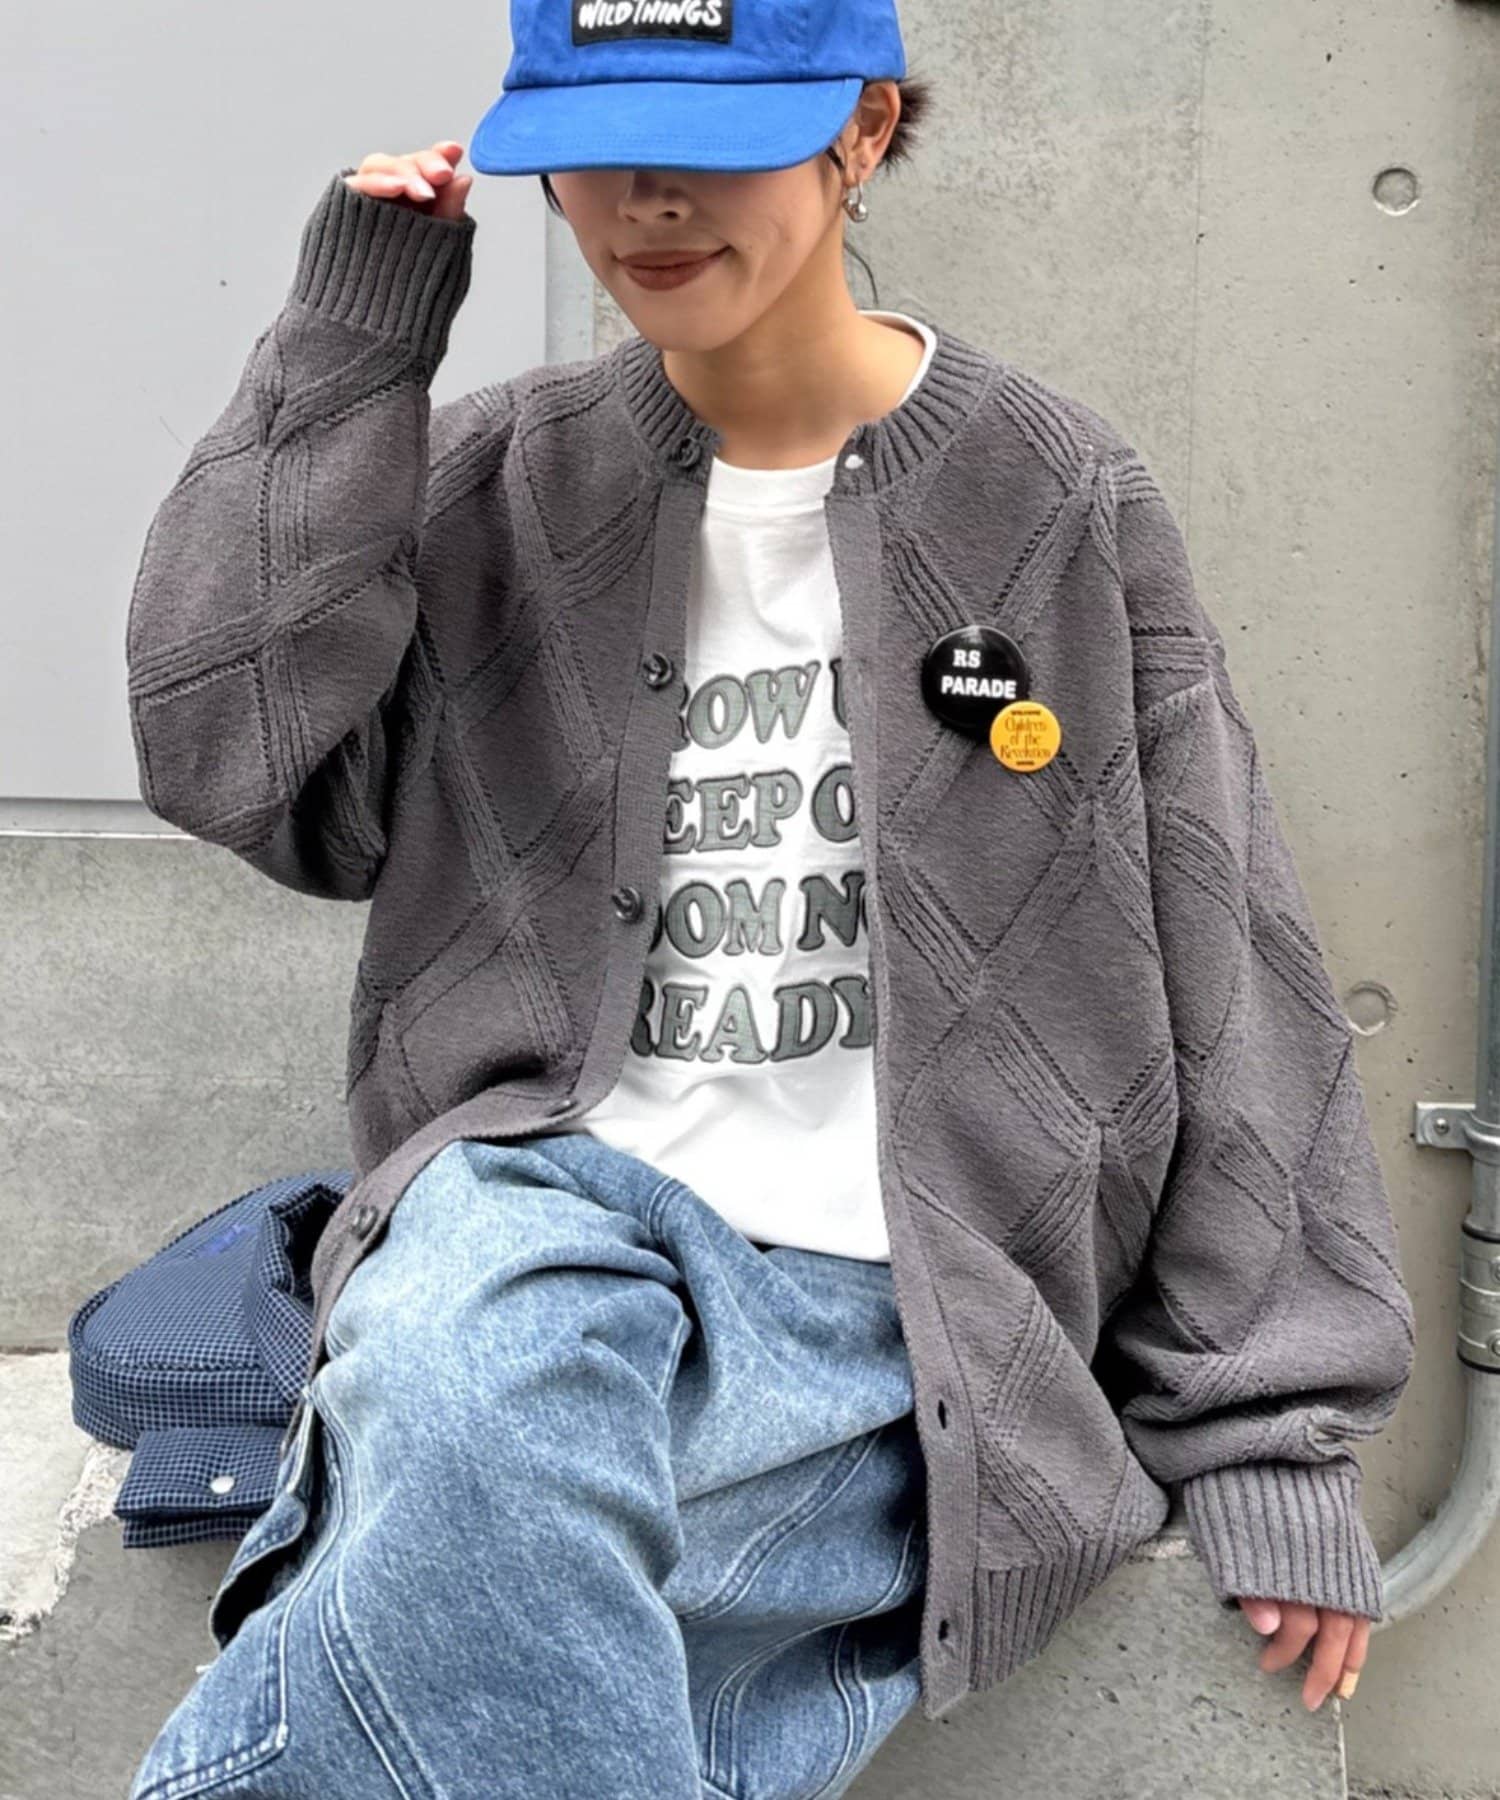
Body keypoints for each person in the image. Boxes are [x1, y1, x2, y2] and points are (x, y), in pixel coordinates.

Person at [125, 0, 1417, 1794]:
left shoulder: (1053, 493)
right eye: (599, 149)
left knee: (461, 1538)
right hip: (533, 1203)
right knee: (466, 1370)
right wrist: (353, 344)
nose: (649, 200)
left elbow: (1225, 940)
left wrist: (1268, 1432)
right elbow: (224, 755)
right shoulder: (495, 478)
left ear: (863, 129)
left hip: (897, 1288)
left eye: (713, 144)